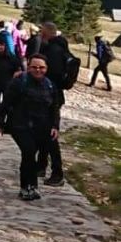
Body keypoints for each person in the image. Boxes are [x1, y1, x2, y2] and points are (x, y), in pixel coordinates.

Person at [0, 53, 61, 201]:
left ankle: (31, 186)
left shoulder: (50, 85)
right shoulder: (19, 82)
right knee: (29, 151)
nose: (38, 70)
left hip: (41, 126)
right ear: (29, 67)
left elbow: (54, 107)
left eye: (41, 67)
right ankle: (26, 187)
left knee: (30, 155)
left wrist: (55, 126)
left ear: (46, 68)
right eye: (34, 67)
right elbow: (6, 103)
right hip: (20, 125)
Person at [36, 22, 70, 184]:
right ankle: (41, 166)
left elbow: (53, 75)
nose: (40, 34)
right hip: (50, 95)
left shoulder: (54, 50)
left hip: (51, 97)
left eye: (42, 32)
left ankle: (57, 173)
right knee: (44, 133)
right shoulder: (58, 48)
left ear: (48, 33)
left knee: (50, 134)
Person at [0, 36, 21, 128]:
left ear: (5, 46)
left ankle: (7, 118)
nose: (0, 47)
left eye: (2, 45)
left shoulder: (11, 57)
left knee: (7, 101)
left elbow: (18, 67)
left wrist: (17, 73)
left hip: (7, 82)